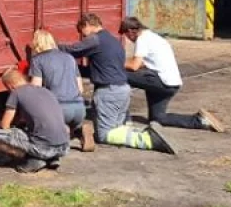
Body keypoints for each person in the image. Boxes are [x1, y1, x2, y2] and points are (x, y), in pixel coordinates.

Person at [59, 13, 174, 154]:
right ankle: (143, 134)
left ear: (87, 25)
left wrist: (51, 48)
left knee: (104, 134)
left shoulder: (95, 39)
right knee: (117, 129)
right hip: (123, 89)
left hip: (108, 91)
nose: (82, 37)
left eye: (82, 32)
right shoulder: (113, 41)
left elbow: (73, 51)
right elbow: (99, 69)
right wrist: (76, 69)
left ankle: (147, 139)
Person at [119, 16, 225, 132]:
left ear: (130, 31)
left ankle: (121, 116)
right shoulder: (152, 36)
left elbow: (134, 65)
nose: (128, 39)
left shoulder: (142, 39)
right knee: (158, 119)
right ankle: (200, 121)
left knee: (118, 74)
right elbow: (143, 63)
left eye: (126, 35)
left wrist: (114, 63)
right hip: (172, 83)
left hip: (162, 81)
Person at [0, 68, 71, 173]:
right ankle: (52, 158)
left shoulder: (16, 93)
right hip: (63, 147)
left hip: (43, 148)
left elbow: (5, 125)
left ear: (10, 86)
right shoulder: (45, 91)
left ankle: (34, 159)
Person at [27, 29, 95, 152]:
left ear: (36, 44)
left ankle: (62, 131)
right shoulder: (69, 58)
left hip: (59, 110)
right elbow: (80, 88)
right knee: (70, 121)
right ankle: (79, 130)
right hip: (79, 108)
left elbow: (35, 89)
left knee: (42, 126)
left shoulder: (38, 60)